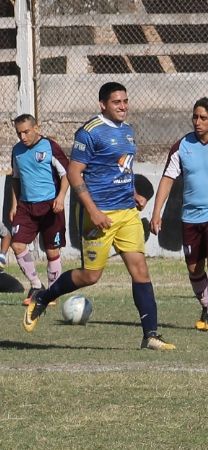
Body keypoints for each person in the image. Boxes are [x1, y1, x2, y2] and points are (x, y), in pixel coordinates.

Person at [22, 81, 176, 351]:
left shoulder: (128, 131)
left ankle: (150, 335)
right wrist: (92, 211)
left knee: (140, 270)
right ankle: (44, 297)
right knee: (91, 276)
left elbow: (121, 170)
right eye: (117, 102)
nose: (123, 106)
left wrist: (134, 195)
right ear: (102, 104)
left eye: (125, 101)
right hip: (99, 214)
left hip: (126, 214)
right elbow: (74, 172)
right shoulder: (89, 132)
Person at [150, 98, 208, 333]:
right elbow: (167, 179)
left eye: (203, 118)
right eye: (195, 117)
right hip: (190, 216)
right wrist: (156, 212)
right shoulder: (182, 146)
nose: (198, 122)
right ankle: (207, 305)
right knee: (194, 268)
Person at [8, 114, 69, 305]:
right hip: (26, 206)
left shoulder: (50, 146)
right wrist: (14, 204)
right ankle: (36, 285)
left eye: (26, 132)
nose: (23, 137)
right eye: (19, 134)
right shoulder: (16, 151)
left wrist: (61, 197)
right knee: (17, 244)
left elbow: (66, 173)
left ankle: (51, 293)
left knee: (52, 251)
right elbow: (16, 178)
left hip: (50, 205)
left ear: (37, 128)